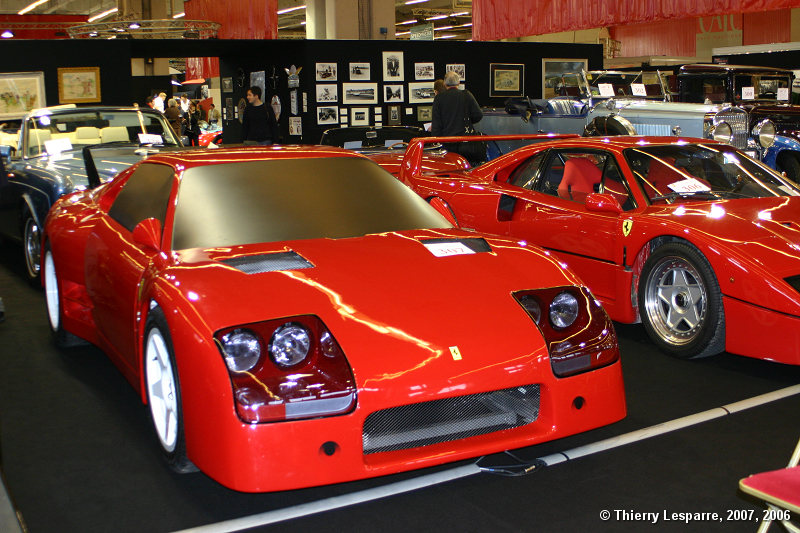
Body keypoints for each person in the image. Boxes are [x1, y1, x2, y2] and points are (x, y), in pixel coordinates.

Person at [432, 71, 483, 163]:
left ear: (444, 83)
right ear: (458, 83)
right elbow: (478, 115)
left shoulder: (439, 99)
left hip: (447, 142)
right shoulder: (466, 95)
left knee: (449, 169)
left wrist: (436, 142)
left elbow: (436, 125)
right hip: (466, 142)